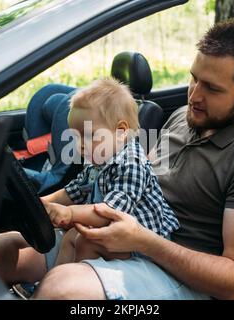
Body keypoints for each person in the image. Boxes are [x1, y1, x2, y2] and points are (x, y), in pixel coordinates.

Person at [0, 18, 234, 300]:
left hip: (180, 279)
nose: (194, 96)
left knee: (62, 289)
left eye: (212, 88)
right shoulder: (183, 118)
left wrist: (143, 241)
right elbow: (134, 179)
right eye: (194, 79)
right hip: (127, 244)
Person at [41, 77, 179, 266]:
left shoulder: (132, 164)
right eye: (75, 136)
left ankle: (78, 282)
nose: (79, 145)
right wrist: (44, 203)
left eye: (89, 135)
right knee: (72, 235)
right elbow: (75, 190)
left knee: (86, 241)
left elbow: (110, 213)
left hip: (143, 248)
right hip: (115, 232)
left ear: (121, 131)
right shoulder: (100, 157)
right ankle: (54, 279)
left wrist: (70, 213)